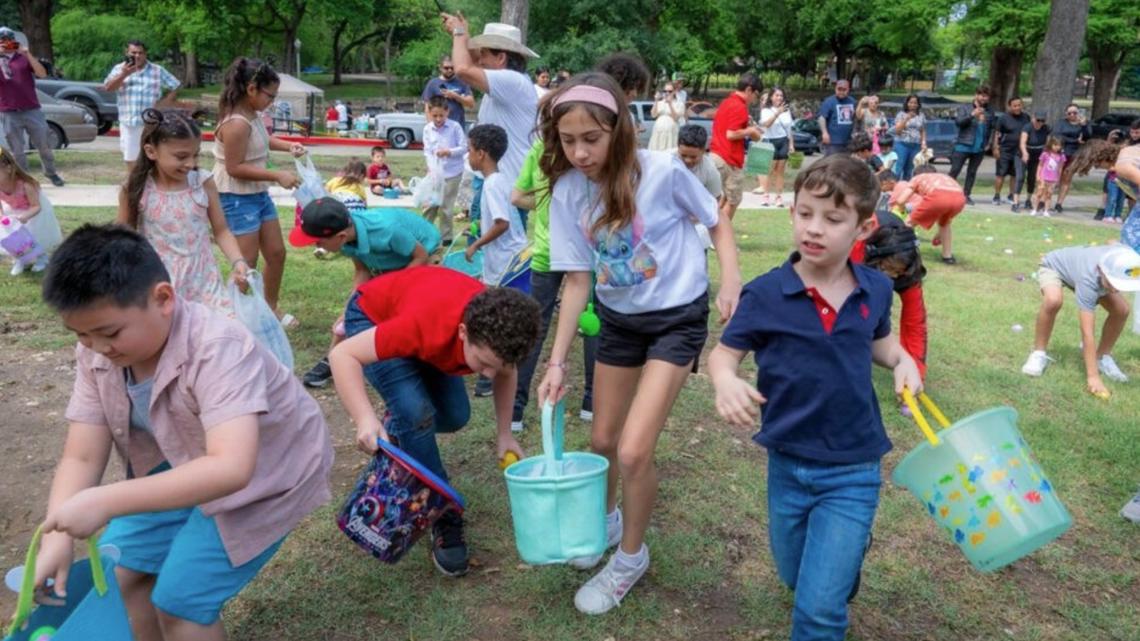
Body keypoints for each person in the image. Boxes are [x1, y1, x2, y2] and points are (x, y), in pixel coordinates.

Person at [33, 224, 333, 641]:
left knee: (181, 601)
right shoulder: (96, 353)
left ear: (163, 299)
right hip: (185, 458)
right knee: (118, 575)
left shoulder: (218, 347)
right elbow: (81, 455)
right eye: (81, 335)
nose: (96, 347)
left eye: (109, 333)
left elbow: (230, 468)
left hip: (269, 472)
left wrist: (104, 500)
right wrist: (56, 538)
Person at [535, 72, 742, 615]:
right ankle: (606, 523)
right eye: (568, 141)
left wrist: (731, 279)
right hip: (620, 321)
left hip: (677, 319)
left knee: (632, 450)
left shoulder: (663, 172)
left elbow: (716, 221)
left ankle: (630, 558)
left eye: (591, 139)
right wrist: (556, 363)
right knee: (602, 440)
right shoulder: (567, 191)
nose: (579, 153)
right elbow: (576, 280)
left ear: (619, 131)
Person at [708, 154, 922, 641]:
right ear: (792, 212)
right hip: (787, 462)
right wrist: (725, 380)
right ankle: (839, 565)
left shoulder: (875, 289)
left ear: (863, 227)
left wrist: (901, 359)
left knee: (819, 611)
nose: (814, 228)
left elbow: (880, 342)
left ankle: (837, 565)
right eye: (805, 213)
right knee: (795, 576)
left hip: (853, 466)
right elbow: (724, 355)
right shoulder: (765, 293)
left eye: (833, 218)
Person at [329, 266, 540, 576]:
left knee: (455, 416)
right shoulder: (423, 326)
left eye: (497, 367)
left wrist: (505, 434)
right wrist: (364, 419)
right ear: (463, 332)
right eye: (484, 363)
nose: (488, 375)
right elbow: (342, 356)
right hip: (373, 316)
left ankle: (401, 428)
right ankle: (442, 512)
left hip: (419, 320)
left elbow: (506, 373)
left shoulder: (501, 339)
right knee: (415, 414)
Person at [290, 197, 441, 388]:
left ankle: (424, 360)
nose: (316, 246)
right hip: (391, 256)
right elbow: (362, 271)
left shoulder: (387, 230)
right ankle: (333, 358)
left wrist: (393, 288)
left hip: (424, 252)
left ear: (341, 236)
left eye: (318, 242)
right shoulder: (347, 239)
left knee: (407, 305)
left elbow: (421, 256)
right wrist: (348, 308)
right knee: (357, 306)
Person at [116, 108, 249, 312]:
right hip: (158, 283)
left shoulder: (203, 182)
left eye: (195, 155)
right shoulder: (136, 188)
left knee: (220, 327)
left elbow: (221, 231)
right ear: (151, 151)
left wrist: (238, 261)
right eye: (181, 156)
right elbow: (123, 239)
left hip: (204, 281)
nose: (190, 163)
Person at [212, 58, 306, 326]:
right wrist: (277, 175)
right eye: (270, 95)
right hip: (235, 197)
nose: (272, 102)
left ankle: (269, 309)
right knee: (246, 263)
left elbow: (261, 141)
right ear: (251, 88)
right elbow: (234, 167)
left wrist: (288, 146)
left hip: (258, 195)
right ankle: (234, 318)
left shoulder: (252, 115)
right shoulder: (236, 123)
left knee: (276, 253)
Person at [443, 15, 540, 232]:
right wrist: (462, 34)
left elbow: (463, 69)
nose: (480, 61)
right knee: (482, 243)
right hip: (496, 181)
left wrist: (459, 33)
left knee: (495, 246)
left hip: (505, 186)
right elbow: (469, 63)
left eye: (484, 54)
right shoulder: (510, 83)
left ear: (501, 57)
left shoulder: (511, 81)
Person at [1020, 245, 1140, 398]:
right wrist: (1093, 377)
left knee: (1121, 310)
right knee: (1053, 301)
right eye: (1113, 285)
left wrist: (1112, 284)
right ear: (1102, 271)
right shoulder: (1088, 280)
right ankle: (1038, 353)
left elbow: (1112, 242)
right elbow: (1087, 333)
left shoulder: (1123, 257)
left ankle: (1102, 357)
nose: (1115, 291)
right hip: (1054, 266)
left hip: (1087, 271)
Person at [464, 124, 527, 289]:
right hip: (510, 257)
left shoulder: (492, 185)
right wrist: (479, 224)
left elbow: (502, 224)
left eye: (469, 150)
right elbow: (500, 216)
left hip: (504, 260)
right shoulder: (500, 179)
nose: (467, 155)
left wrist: (476, 244)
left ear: (480, 154)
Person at [0, 27, 65, 186]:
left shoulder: (22, 57)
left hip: (31, 109)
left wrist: (27, 53)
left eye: (9, 40)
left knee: (44, 144)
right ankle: (24, 179)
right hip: (9, 111)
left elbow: (42, 74)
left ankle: (51, 173)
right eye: (2, 40)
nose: (6, 43)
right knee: (17, 150)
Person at [103, 40, 181, 170]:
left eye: (141, 53)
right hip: (130, 123)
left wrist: (165, 102)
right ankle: (135, 181)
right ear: (127, 53)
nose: (137, 56)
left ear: (145, 54)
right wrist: (124, 74)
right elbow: (108, 88)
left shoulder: (157, 70)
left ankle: (152, 182)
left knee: (154, 158)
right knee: (131, 159)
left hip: (152, 124)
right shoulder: (119, 69)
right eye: (133, 53)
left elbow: (175, 85)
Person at [709, 72, 764, 220]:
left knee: (721, 200)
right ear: (749, 90)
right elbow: (731, 134)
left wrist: (746, 126)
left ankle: (711, 232)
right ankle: (721, 233)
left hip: (716, 156)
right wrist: (751, 131)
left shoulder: (727, 102)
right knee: (733, 201)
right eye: (756, 95)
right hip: (729, 160)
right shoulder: (739, 106)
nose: (755, 99)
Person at [0, 145, 61, 275]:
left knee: (34, 235)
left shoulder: (26, 184)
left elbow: (36, 206)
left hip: (33, 211)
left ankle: (42, 258)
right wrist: (2, 215)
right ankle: (20, 259)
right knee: (14, 236)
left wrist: (25, 216)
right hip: (15, 210)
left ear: (8, 169)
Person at [891, 165, 966, 264]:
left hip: (937, 195)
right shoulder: (941, 177)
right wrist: (939, 235)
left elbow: (901, 200)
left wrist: (901, 209)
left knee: (908, 223)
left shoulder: (917, 178)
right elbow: (946, 201)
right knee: (945, 224)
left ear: (915, 174)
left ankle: (895, 249)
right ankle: (948, 257)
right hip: (960, 198)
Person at [422, 95, 467, 242]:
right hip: (435, 173)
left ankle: (446, 237)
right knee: (430, 205)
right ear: (429, 113)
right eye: (435, 115)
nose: (438, 119)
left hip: (452, 172)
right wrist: (430, 167)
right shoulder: (427, 129)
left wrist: (449, 152)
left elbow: (464, 147)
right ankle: (423, 233)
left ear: (447, 112)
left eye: (441, 115)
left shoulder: (455, 127)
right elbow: (427, 151)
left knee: (446, 207)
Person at [948, 85, 995, 205]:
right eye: (982, 95)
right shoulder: (965, 107)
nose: (984, 98)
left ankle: (966, 195)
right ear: (976, 95)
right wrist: (972, 115)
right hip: (963, 144)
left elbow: (991, 128)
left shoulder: (990, 111)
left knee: (972, 172)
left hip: (979, 147)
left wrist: (988, 143)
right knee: (955, 170)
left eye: (986, 96)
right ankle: (947, 193)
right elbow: (959, 123)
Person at [993, 96, 1030, 211]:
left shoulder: (1026, 117)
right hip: (1005, 150)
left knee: (1015, 175)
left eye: (1019, 105)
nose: (1017, 107)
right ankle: (997, 196)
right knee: (1001, 174)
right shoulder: (1003, 118)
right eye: (1015, 106)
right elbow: (997, 133)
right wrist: (996, 148)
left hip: (1018, 151)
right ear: (1010, 106)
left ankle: (1011, 195)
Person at [760, 87, 795, 208]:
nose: (779, 97)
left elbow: (789, 129)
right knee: (769, 170)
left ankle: (778, 196)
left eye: (781, 95)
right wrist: (777, 112)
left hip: (783, 141)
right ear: (771, 97)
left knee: (780, 171)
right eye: (777, 95)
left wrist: (791, 144)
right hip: (770, 141)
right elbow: (766, 124)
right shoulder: (766, 110)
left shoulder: (787, 110)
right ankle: (766, 195)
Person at [1053, 103, 1091, 214]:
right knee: (1053, 178)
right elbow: (1057, 135)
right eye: (1070, 113)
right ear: (1066, 113)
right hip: (1060, 154)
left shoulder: (1084, 124)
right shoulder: (1061, 123)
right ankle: (1044, 200)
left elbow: (1087, 137)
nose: (1072, 115)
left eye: (1075, 112)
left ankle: (1059, 203)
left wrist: (1083, 126)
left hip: (1075, 155)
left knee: (1066, 178)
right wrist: (1074, 140)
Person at [421, 55, 475, 128]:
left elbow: (471, 104)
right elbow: (427, 107)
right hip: (439, 126)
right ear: (440, 68)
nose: (450, 70)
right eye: (446, 68)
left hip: (457, 125)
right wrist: (431, 126)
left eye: (452, 68)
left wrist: (455, 96)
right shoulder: (433, 83)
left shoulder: (462, 82)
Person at [676, 124, 724, 205]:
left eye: (693, 157)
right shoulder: (667, 161)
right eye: (683, 155)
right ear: (678, 147)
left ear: (703, 151)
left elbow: (714, 200)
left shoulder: (710, 170)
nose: (688, 160)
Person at [1020, 110, 1052, 210]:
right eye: (1038, 120)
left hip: (1038, 155)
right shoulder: (1027, 127)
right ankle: (1014, 197)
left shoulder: (1046, 128)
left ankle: (1028, 199)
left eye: (1042, 121)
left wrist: (1047, 155)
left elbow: (1048, 144)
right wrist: (1025, 153)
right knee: (1020, 176)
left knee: (1032, 178)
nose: (1040, 123)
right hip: (1027, 153)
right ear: (1033, 118)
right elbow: (1022, 142)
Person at [817, 79, 857, 156]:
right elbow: (822, 118)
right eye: (839, 89)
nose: (841, 92)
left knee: (847, 162)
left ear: (848, 90)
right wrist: (824, 133)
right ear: (835, 89)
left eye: (844, 90)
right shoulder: (829, 101)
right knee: (833, 161)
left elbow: (856, 117)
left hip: (849, 141)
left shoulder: (853, 101)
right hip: (833, 142)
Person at [893, 94, 926, 180]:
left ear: (918, 104)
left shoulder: (921, 115)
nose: (913, 105)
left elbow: (922, 130)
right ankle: (895, 186)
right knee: (898, 168)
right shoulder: (901, 114)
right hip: (902, 144)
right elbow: (897, 131)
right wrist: (907, 118)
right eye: (911, 102)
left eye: (915, 103)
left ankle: (906, 185)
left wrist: (923, 143)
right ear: (907, 103)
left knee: (910, 170)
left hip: (915, 145)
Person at [1032, 136, 1065, 216]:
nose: (1057, 147)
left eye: (1059, 145)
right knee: (1039, 193)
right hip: (1043, 177)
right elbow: (1040, 165)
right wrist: (1038, 175)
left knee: (1049, 194)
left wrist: (1058, 179)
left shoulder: (1061, 156)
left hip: (1053, 179)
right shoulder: (1045, 154)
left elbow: (1060, 168)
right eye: (1055, 145)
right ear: (1051, 144)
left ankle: (1046, 210)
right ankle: (1034, 209)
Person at [648, 82, 684, 152]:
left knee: (669, 150)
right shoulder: (660, 103)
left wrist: (670, 104)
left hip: (671, 132)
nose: (667, 93)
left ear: (674, 91)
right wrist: (656, 101)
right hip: (658, 131)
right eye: (665, 91)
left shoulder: (679, 104)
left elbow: (675, 118)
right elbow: (653, 115)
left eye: (670, 91)